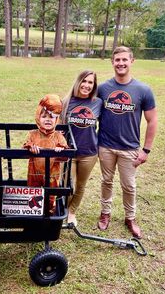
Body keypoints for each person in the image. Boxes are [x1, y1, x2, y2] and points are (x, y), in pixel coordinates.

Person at [97, 46, 157, 239]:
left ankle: (130, 218)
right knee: (106, 181)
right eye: (117, 60)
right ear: (112, 62)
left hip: (129, 148)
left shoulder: (143, 90)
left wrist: (146, 150)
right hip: (105, 145)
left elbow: (152, 121)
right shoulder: (103, 89)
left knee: (129, 186)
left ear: (132, 61)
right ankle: (105, 213)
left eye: (124, 60)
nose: (121, 63)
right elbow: (87, 108)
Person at [60, 70, 102, 226]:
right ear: (78, 82)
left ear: (94, 85)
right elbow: (59, 129)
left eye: (90, 82)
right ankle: (63, 208)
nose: (86, 85)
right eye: (84, 81)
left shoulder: (97, 103)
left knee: (81, 185)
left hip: (89, 152)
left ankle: (72, 212)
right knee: (67, 184)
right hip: (69, 152)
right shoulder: (65, 102)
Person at [23, 94, 69, 215]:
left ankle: (48, 214)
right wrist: (30, 148)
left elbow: (66, 156)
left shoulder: (59, 136)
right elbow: (25, 147)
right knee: (33, 193)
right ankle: (33, 214)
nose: (47, 120)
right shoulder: (33, 134)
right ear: (38, 118)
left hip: (52, 174)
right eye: (44, 116)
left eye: (51, 117)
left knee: (51, 195)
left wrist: (61, 149)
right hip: (34, 172)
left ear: (56, 120)